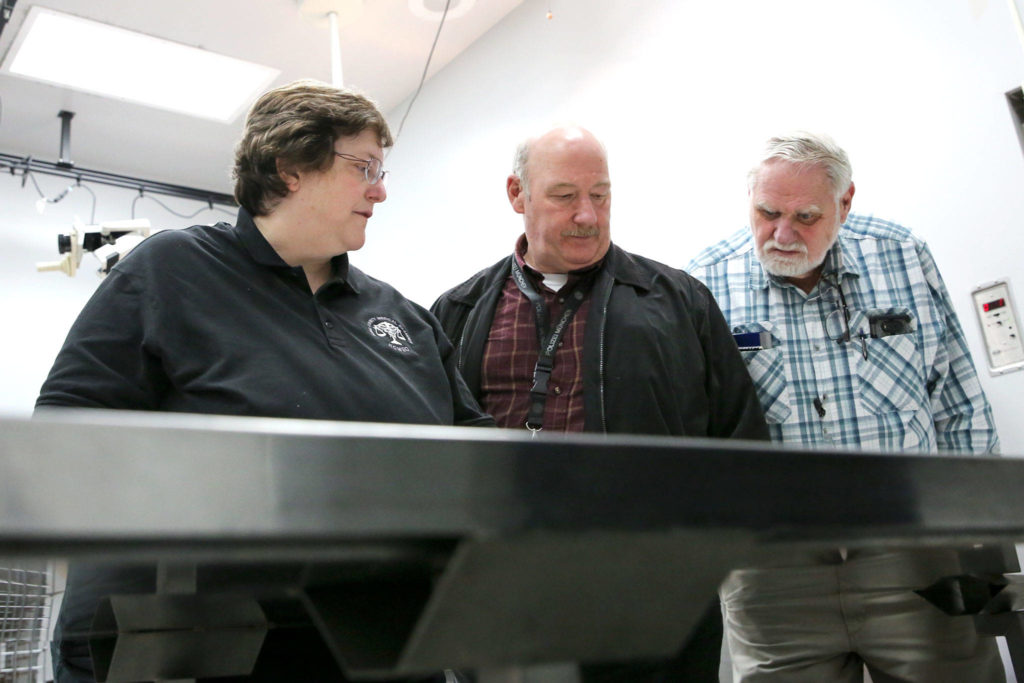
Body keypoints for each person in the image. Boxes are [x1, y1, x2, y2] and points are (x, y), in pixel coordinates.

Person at [37, 79, 492, 682]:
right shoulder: (174, 270)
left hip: (375, 643)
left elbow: (482, 463)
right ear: (290, 168)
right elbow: (66, 433)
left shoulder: (404, 319)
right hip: (191, 642)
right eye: (365, 167)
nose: (381, 191)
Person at [431, 125, 769, 681]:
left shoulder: (679, 302)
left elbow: (740, 439)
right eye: (565, 196)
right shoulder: (458, 312)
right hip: (501, 597)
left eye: (601, 195)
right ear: (518, 194)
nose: (587, 214)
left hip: (653, 599)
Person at [686, 132, 1005, 682]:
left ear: (845, 203)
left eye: (805, 217)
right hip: (774, 578)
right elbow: (693, 438)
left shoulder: (902, 254)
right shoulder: (702, 282)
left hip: (913, 558)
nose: (782, 233)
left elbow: (956, 397)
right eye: (767, 213)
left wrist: (974, 532)